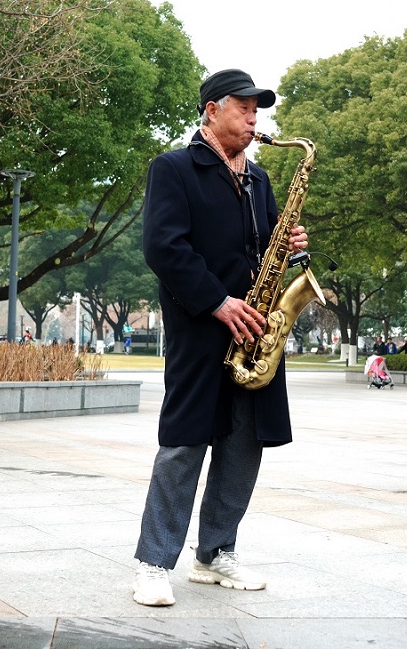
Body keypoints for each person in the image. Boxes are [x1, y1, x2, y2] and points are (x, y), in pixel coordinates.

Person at [132, 69, 309, 607]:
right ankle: (152, 563)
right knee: (184, 445)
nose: (255, 117)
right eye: (244, 106)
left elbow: (269, 249)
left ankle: (214, 554)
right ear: (211, 110)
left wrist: (296, 248)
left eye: (258, 108)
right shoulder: (174, 168)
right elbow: (164, 247)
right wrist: (216, 301)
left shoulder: (259, 180)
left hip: (256, 331)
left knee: (245, 446)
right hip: (201, 329)